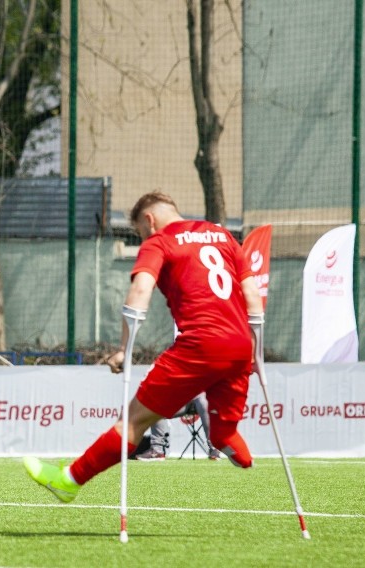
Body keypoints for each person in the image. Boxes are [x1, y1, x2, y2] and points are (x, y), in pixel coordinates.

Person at [24, 191, 263, 502]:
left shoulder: (159, 242)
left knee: (133, 422)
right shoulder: (221, 234)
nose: (142, 237)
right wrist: (256, 351)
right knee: (223, 431)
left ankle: (68, 481)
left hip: (199, 345)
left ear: (149, 221)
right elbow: (252, 295)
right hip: (240, 345)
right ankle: (241, 454)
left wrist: (125, 349)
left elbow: (140, 290)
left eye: (138, 231)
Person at [135, 394, 220, 461]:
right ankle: (157, 451)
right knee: (156, 406)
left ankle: (214, 448)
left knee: (204, 401)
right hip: (181, 399)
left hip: (202, 397)